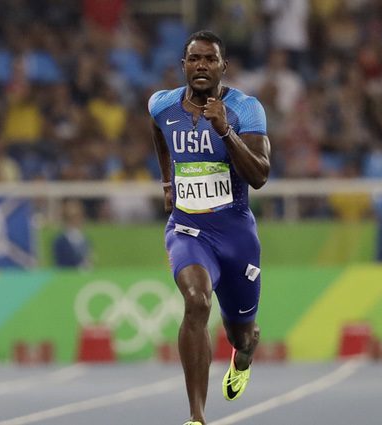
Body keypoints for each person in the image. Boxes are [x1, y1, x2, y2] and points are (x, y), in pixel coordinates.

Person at [148, 30, 271, 425]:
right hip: (187, 229)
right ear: (183, 65)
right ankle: (196, 417)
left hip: (235, 235)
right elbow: (159, 135)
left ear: (223, 67)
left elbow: (260, 176)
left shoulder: (245, 109)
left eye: (210, 59)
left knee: (241, 333)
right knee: (197, 301)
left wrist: (225, 131)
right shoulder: (161, 105)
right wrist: (168, 181)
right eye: (194, 59)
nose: (201, 66)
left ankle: (245, 353)